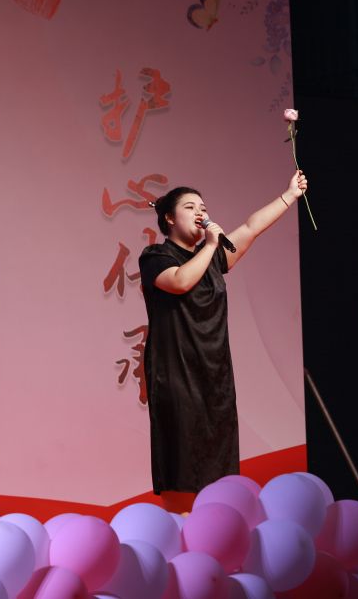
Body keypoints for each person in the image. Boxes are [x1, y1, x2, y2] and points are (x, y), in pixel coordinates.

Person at [139, 171, 308, 512]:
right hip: (176, 373)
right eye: (190, 207)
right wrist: (212, 244)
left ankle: (213, 529)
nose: (200, 212)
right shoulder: (156, 256)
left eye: (203, 207)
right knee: (180, 462)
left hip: (214, 374)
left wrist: (289, 195)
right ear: (169, 218)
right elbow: (180, 281)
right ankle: (176, 530)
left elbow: (251, 227)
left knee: (218, 467)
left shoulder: (214, 256)